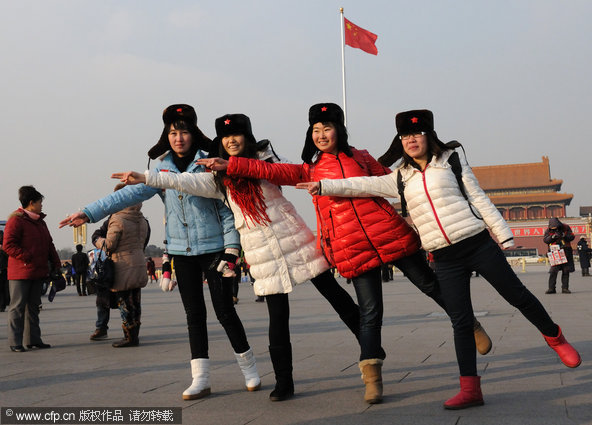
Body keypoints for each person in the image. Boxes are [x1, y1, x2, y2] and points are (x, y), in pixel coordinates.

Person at [196, 104, 492, 404]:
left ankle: (470, 324)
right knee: (370, 312)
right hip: (353, 245)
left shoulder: (362, 157)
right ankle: (372, 378)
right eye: (316, 130)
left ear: (339, 129)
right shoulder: (308, 169)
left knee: (430, 284)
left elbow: (396, 185)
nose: (322, 135)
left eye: (327, 128)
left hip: (388, 233)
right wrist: (230, 166)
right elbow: (268, 169)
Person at [303, 109, 582, 409]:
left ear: (428, 136)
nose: (411, 140)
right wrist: (323, 186)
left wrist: (504, 236)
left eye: (417, 134)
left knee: (517, 295)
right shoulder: (399, 177)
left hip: (476, 244)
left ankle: (555, 338)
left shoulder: (450, 161)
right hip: (444, 257)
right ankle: (471, 389)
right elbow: (359, 184)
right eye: (405, 136)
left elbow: (478, 198)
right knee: (461, 322)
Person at [113, 113, 366, 402]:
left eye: (237, 135)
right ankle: (284, 382)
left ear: (247, 137)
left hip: (294, 240)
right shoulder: (217, 177)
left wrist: (233, 165)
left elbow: (278, 173)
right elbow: (183, 182)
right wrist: (147, 177)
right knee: (277, 318)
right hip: (262, 253)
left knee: (336, 297)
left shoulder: (264, 159)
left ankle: (370, 350)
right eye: (225, 136)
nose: (232, 140)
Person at [59, 104, 259, 399]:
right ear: (167, 136)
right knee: (194, 314)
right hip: (181, 250)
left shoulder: (209, 162)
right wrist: (89, 213)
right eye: (173, 132)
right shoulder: (162, 168)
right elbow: (127, 194)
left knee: (225, 311)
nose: (179, 138)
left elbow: (228, 210)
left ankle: (249, 369)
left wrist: (231, 247)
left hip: (213, 247)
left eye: (184, 132)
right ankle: (200, 378)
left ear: (194, 134)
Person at [92, 184, 150, 347]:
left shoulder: (118, 218)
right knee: (135, 301)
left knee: (124, 302)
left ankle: (129, 337)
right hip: (138, 263)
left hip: (123, 266)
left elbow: (109, 244)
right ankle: (134, 335)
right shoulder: (141, 218)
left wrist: (97, 240)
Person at [4, 186, 60, 352]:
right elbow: (8, 245)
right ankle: (15, 342)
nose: (42, 205)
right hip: (20, 272)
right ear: (31, 203)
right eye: (40, 202)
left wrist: (56, 263)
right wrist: (27, 256)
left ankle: (33, 339)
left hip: (37, 271)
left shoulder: (40, 222)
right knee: (18, 307)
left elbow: (49, 245)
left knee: (34, 307)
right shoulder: (16, 220)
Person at [543, 218, 575, 294]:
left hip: (566, 251)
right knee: (553, 271)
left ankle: (565, 288)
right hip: (554, 252)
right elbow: (545, 240)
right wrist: (552, 237)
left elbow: (572, 237)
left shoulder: (566, 227)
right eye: (553, 228)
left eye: (555, 227)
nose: (554, 229)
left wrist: (564, 235)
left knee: (566, 270)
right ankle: (551, 288)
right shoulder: (548, 230)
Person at [0, 231, 10, 312]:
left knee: (4, 288)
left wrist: (2, 249)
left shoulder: (5, 244)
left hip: (4, 269)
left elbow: (8, 255)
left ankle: (2, 305)